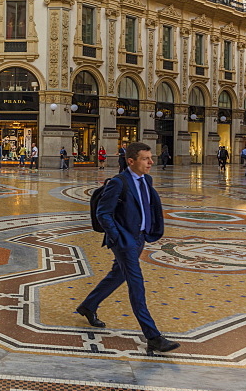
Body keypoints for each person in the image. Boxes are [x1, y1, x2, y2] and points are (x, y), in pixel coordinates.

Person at [74, 141, 179, 356]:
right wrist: (118, 237)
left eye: (151, 158)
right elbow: (103, 213)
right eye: (145, 158)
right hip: (125, 242)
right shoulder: (118, 183)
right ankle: (153, 336)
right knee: (136, 284)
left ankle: (88, 305)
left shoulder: (146, 180)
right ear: (131, 161)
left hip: (140, 238)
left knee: (117, 275)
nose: (151, 162)